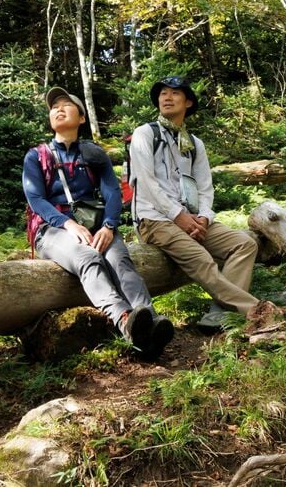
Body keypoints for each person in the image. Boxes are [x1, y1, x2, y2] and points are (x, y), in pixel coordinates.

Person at [22, 86, 175, 359]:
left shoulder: (93, 153)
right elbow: (35, 199)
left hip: (96, 223)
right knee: (87, 258)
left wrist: (109, 225)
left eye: (65, 104)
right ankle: (125, 319)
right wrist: (67, 224)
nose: (58, 109)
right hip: (52, 230)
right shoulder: (37, 156)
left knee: (119, 258)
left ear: (81, 118)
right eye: (53, 106)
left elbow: (112, 191)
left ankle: (149, 323)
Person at [128, 75, 276, 330]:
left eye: (175, 93)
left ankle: (218, 315)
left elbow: (205, 187)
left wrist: (205, 218)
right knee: (202, 259)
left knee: (244, 243)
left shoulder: (194, 144)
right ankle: (256, 311)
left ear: (188, 103)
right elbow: (147, 185)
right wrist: (178, 216)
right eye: (163, 93)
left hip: (191, 219)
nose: (167, 97)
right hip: (154, 220)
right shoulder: (145, 134)